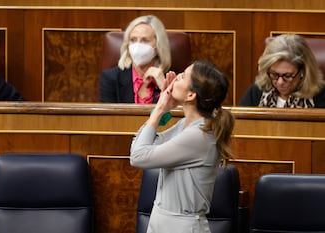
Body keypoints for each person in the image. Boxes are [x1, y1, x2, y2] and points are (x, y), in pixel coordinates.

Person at [130, 60, 235, 233]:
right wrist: (162, 110)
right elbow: (142, 146)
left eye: (183, 76)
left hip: (182, 227)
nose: (176, 77)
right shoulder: (187, 126)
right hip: (161, 221)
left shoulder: (200, 135)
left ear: (191, 95)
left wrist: (160, 108)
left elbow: (138, 157)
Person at [239, 34, 325, 108]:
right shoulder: (258, 90)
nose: (280, 82)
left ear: (303, 71)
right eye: (274, 74)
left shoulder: (320, 95)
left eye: (287, 76)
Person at [99, 15, 171, 103]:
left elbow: (178, 114)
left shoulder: (172, 79)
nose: (137, 46)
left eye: (145, 40)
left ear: (158, 46)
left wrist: (163, 86)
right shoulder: (111, 78)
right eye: (133, 40)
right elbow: (108, 116)